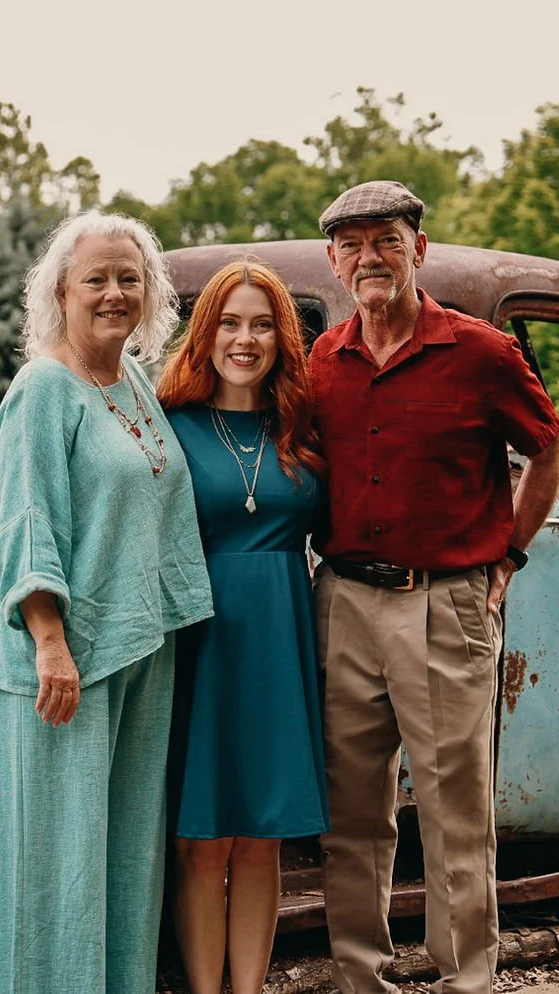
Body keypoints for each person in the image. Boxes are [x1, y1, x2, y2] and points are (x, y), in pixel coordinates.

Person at [310, 180, 559, 994]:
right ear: (334, 261)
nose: (369, 258)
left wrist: (509, 555)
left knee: (456, 818)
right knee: (352, 817)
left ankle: (466, 983)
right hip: (344, 602)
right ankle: (364, 979)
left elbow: (550, 450)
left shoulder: (481, 352)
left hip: (445, 602)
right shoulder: (326, 358)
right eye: (351, 245)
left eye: (385, 239)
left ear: (418, 248)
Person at [0, 210, 215, 994]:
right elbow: (26, 519)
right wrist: (48, 639)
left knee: (126, 861)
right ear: (61, 293)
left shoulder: (133, 381)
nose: (114, 293)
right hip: (62, 658)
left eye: (129, 278)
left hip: (140, 642)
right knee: (59, 868)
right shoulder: (44, 388)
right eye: (97, 279)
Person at [157, 261, 330, 994]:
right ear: (206, 333)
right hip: (202, 638)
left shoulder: (303, 426)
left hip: (281, 637)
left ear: (281, 337)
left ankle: (251, 989)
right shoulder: (171, 426)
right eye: (230, 322)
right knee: (201, 840)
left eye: (261, 324)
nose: (245, 338)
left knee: (262, 840)